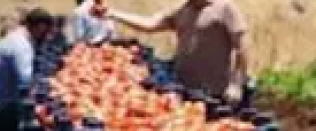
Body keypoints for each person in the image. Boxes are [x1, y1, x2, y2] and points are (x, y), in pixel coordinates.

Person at [104, 0, 248, 101]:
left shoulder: (225, 8)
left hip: (215, 91)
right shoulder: (183, 10)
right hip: (184, 89)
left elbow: (242, 47)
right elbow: (150, 24)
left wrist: (236, 84)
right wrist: (113, 14)